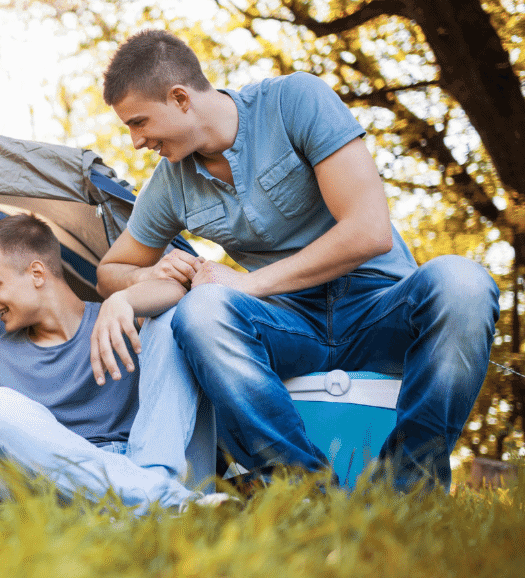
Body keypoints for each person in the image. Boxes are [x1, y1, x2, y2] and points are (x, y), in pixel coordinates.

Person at [94, 29, 499, 490]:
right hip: (288, 326)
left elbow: (368, 231)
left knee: (464, 283)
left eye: (139, 122)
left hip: (380, 306)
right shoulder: (169, 184)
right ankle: (302, 492)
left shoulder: (294, 101)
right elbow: (110, 269)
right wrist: (146, 275)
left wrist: (246, 283)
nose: (136, 141)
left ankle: (409, 489)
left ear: (181, 98)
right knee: (201, 311)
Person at [0, 214, 226, 513]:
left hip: (151, 459)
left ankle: (151, 499)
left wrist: (122, 300)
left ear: (37, 273)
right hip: (69, 494)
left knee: (172, 320)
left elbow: (178, 294)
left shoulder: (118, 317)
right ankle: (166, 503)